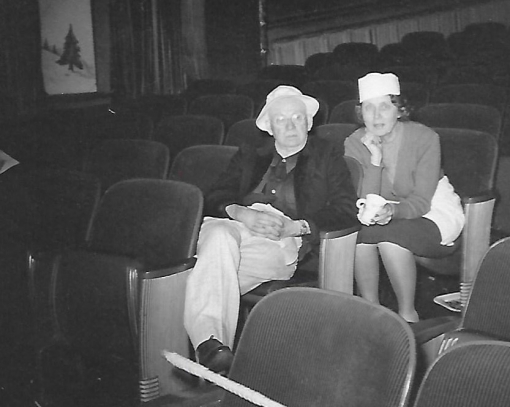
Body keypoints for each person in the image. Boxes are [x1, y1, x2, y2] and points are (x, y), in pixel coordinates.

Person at [184, 85, 358, 375]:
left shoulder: (326, 155)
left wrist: (298, 227)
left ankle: (211, 348)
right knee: (217, 235)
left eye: (297, 118)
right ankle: (213, 355)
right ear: (270, 127)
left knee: (187, 283)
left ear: (308, 122)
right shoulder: (251, 154)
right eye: (281, 120)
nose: (290, 126)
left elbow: (345, 209)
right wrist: (241, 213)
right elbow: (214, 196)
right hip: (235, 228)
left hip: (280, 240)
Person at [344, 72, 464, 323]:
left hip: (433, 208)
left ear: (399, 110)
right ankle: (370, 311)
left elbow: (421, 201)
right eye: (369, 108)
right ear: (360, 113)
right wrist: (375, 162)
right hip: (389, 212)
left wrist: (392, 211)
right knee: (358, 237)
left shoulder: (425, 138)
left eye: (384, 107)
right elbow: (364, 202)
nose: (376, 116)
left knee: (391, 240)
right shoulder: (355, 142)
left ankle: (408, 316)